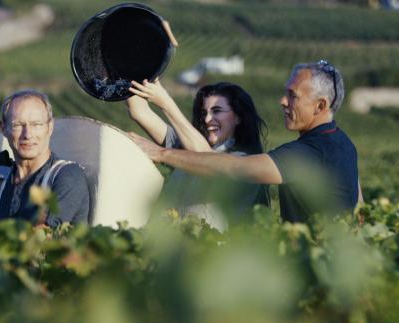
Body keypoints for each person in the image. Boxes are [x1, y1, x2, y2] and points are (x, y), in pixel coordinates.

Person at [129, 61, 361, 223]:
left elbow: (232, 168)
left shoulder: (308, 153)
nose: (283, 101)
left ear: (320, 106)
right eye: (203, 112)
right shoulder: (343, 145)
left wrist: (161, 153)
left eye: (292, 95)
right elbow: (359, 208)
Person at [126, 80, 270, 231]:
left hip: (208, 250)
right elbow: (139, 112)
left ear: (238, 117)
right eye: (204, 112)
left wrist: (166, 103)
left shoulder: (245, 162)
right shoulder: (184, 147)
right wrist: (132, 72)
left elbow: (207, 159)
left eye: (217, 111)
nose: (207, 119)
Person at [0, 89, 90, 244]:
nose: (27, 134)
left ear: (50, 127)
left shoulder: (67, 176)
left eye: (36, 124)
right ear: (3, 129)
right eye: (17, 125)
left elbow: (42, 239)